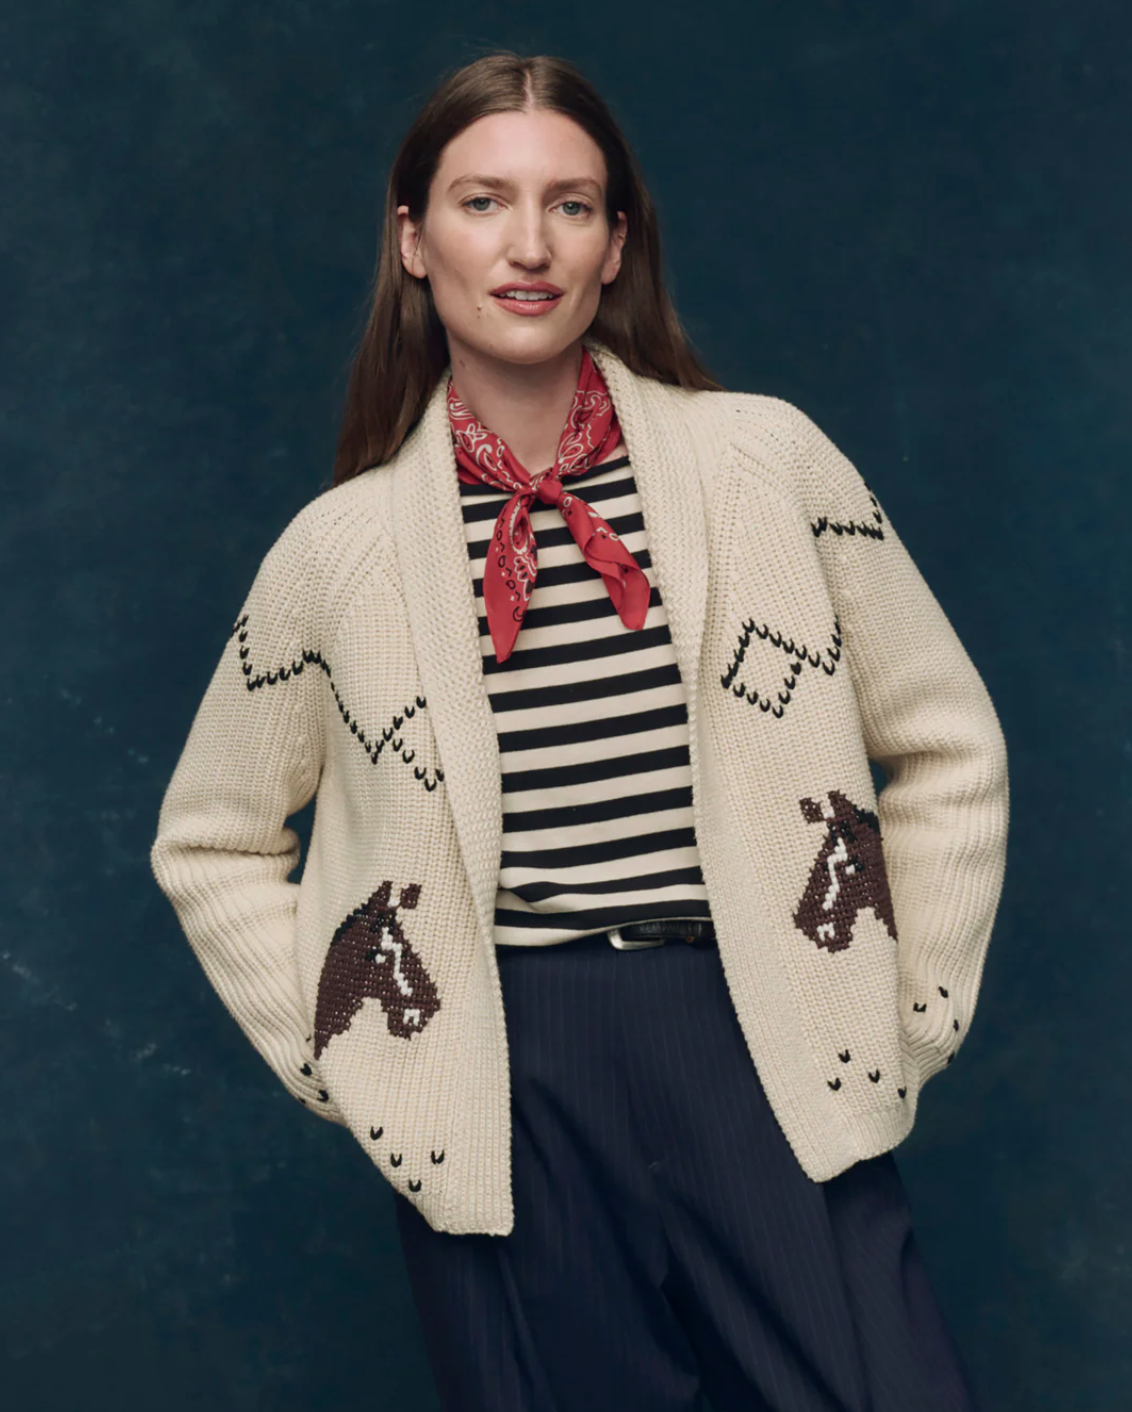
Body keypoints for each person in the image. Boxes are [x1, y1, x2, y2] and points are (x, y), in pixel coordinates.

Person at [150, 49, 1009, 1412]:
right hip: (504, 1070)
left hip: (759, 1023)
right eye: (483, 202)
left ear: (619, 245)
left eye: (572, 204)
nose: (529, 244)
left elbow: (947, 738)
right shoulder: (340, 555)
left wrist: (908, 1001)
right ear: (414, 241)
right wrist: (355, 1052)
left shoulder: (765, 467)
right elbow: (210, 838)